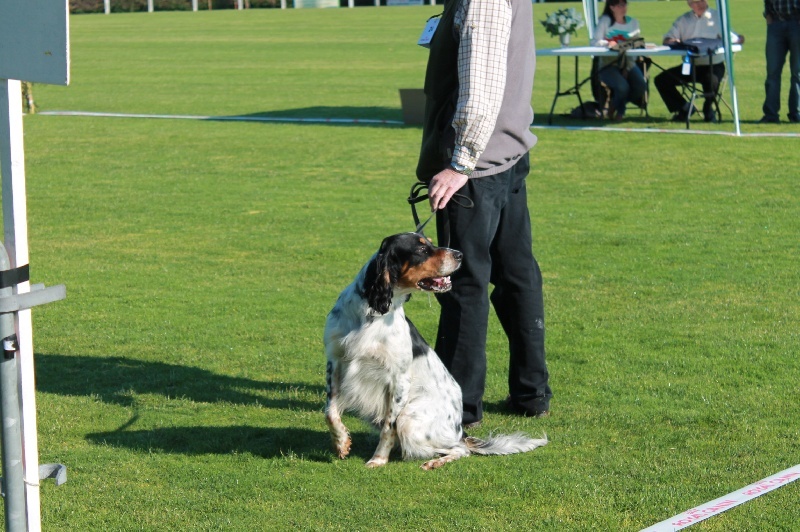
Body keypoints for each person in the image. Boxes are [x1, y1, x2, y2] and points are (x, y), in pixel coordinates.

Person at [416, 0, 551, 428]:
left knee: (462, 284)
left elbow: (483, 83)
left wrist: (459, 164)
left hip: (478, 169)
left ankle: (458, 406)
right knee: (517, 274)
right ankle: (532, 393)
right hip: (506, 155)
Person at [655, 0, 742, 123]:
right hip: (691, 66)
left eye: (702, 0)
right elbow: (668, 39)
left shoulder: (717, 17)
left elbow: (734, 39)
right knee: (662, 80)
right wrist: (673, 41)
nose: (699, 4)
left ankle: (709, 108)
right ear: (689, 4)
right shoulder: (683, 20)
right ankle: (684, 108)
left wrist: (737, 39)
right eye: (695, 2)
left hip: (713, 64)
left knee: (711, 81)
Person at [590, 0, 648, 121]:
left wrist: (627, 68)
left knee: (641, 86)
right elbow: (595, 42)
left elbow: (635, 45)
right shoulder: (605, 21)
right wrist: (607, 43)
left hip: (629, 63)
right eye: (620, 5)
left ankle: (614, 105)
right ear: (611, 7)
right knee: (623, 87)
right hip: (608, 65)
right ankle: (620, 112)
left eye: (625, 4)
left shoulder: (633, 23)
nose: (624, 8)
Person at [760, 0, 800, 123]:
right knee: (772, 72)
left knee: (797, 72)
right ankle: (771, 114)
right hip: (776, 24)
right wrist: (768, 16)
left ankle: (796, 113)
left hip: (796, 22)